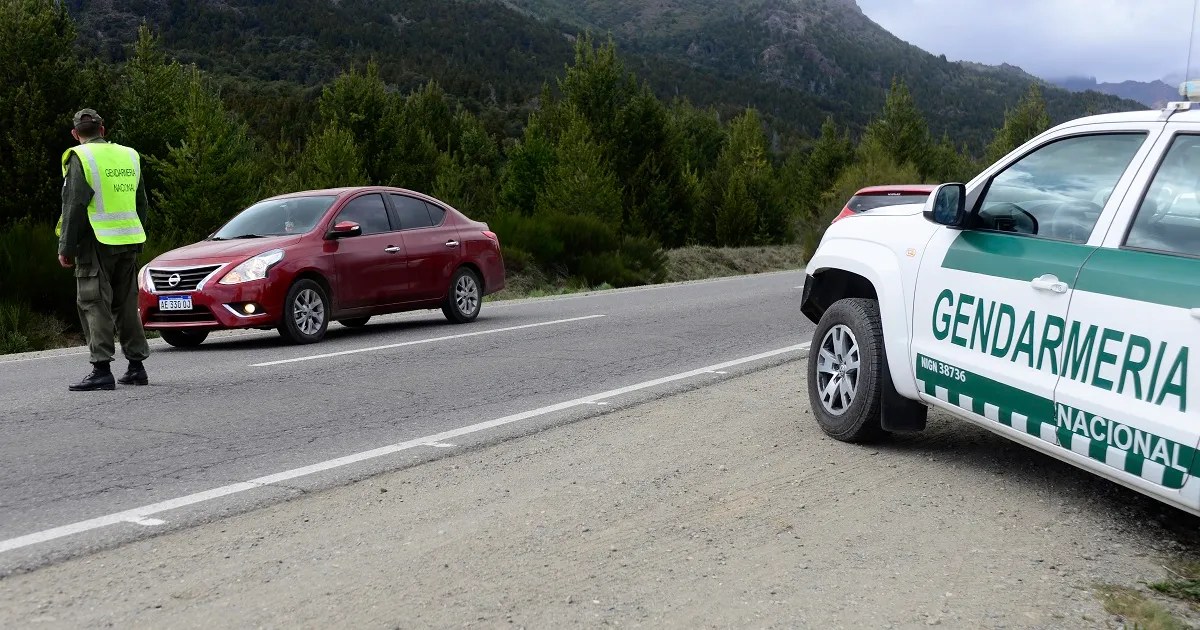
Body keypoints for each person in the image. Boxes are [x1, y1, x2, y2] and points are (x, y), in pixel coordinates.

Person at [56, 109, 151, 391]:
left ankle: (101, 369)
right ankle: (136, 367)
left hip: (95, 242)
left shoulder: (80, 157)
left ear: (75, 134)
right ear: (103, 129)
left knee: (94, 303)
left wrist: (66, 247)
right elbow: (142, 202)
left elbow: (73, 205)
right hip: (128, 240)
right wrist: (137, 237)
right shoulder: (129, 155)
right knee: (126, 304)